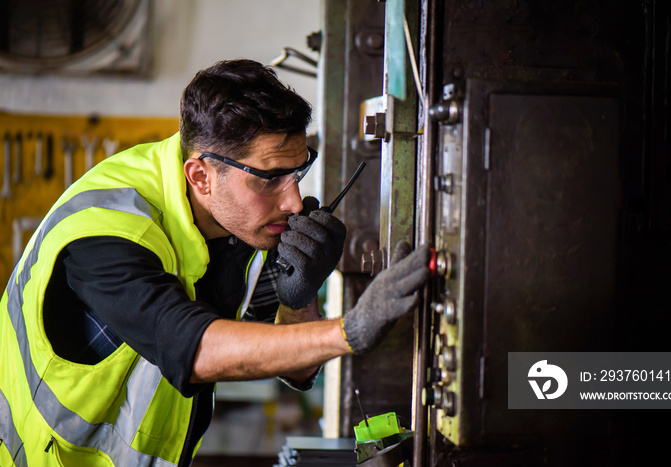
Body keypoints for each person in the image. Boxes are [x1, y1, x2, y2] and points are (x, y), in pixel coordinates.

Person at [0, 59, 430, 467]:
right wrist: (349, 330)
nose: (294, 201)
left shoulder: (239, 221)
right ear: (201, 176)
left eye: (297, 173)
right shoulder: (105, 233)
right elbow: (196, 349)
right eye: (270, 178)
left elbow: (295, 364)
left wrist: (298, 297)